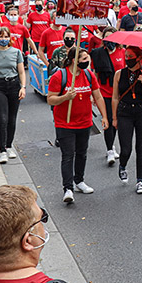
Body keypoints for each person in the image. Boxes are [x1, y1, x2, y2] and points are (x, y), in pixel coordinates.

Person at [47, 47, 109, 204]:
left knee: (82, 152)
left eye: (87, 59)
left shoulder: (88, 75)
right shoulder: (59, 76)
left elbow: (98, 96)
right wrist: (65, 97)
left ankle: (79, 181)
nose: (87, 62)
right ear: (74, 60)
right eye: (84, 59)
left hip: (84, 122)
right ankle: (67, 188)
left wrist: (104, 116)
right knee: (68, 155)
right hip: (65, 123)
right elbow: (50, 99)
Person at [112, 46, 142, 193]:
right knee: (126, 149)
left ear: (138, 58)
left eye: (130, 56)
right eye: (126, 56)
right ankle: (122, 165)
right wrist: (114, 117)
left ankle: (140, 181)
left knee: (141, 147)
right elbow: (115, 97)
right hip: (125, 112)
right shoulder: (119, 74)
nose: (127, 59)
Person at [0, 26, 26, 164]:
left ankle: (9, 145)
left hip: (14, 85)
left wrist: (23, 87)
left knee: (12, 119)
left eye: (6, 36)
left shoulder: (16, 52)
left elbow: (21, 72)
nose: (3, 39)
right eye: (0, 36)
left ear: (10, 38)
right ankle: (2, 150)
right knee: (2, 118)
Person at [91, 29, 126, 166]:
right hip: (104, 93)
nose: (109, 39)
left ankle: (112, 145)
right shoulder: (98, 54)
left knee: (116, 122)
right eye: (106, 37)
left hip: (119, 93)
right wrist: (93, 94)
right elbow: (94, 74)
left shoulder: (122, 52)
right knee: (109, 121)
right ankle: (109, 149)